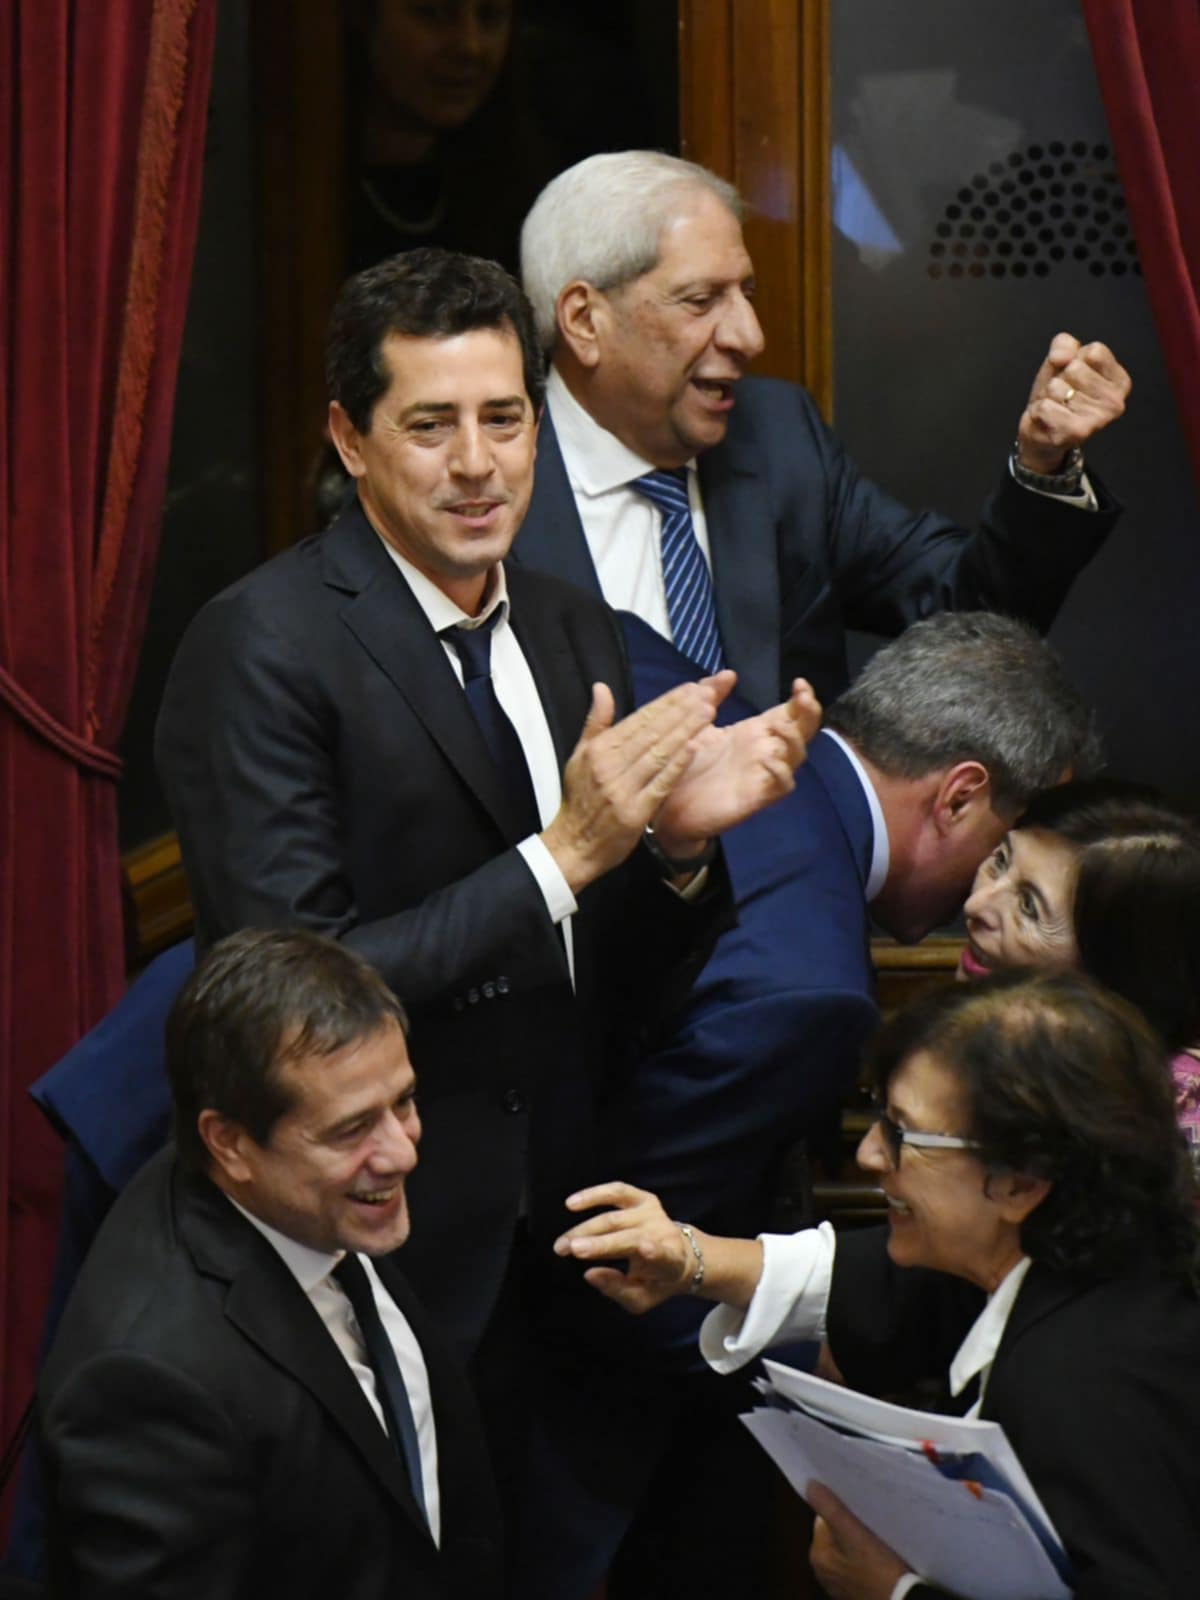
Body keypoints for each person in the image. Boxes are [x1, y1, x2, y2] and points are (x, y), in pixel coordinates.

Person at [154, 247, 818, 1550]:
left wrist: (675, 852)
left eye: (505, 419)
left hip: (559, 1224)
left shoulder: (570, 625)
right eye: (431, 425)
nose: (477, 464)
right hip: (370, 1230)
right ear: (350, 437)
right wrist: (562, 856)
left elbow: (599, 967)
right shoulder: (262, 644)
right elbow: (295, 993)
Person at [515, 610, 1099, 1600]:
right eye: (1001, 852)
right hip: (557, 1421)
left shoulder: (666, 673)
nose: (980, 903)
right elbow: (610, 1253)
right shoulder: (812, 989)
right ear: (959, 796)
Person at [555, 970, 1200, 1598]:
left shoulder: (1082, 1386)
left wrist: (895, 1591)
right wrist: (692, 1260)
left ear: (1020, 1183)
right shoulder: (1084, 1254)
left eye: (900, 1132)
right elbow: (893, 1288)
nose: (868, 1154)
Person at [513, 150, 1131, 708]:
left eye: (746, 294)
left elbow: (968, 612)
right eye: (701, 301)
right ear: (584, 320)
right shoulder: (494, 482)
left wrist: (1043, 464)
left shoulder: (778, 436)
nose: (749, 336)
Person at [38, 929, 503, 1599]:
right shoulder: (147, 1385)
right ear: (229, 1143)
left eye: (403, 1101)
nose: (403, 1153)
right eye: (351, 1129)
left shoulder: (309, 1195)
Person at [958, 781, 1200, 1153]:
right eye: (1000, 861)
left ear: (1115, 974)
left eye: (1029, 907)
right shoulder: (993, 1039)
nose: (976, 905)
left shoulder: (1163, 1122)